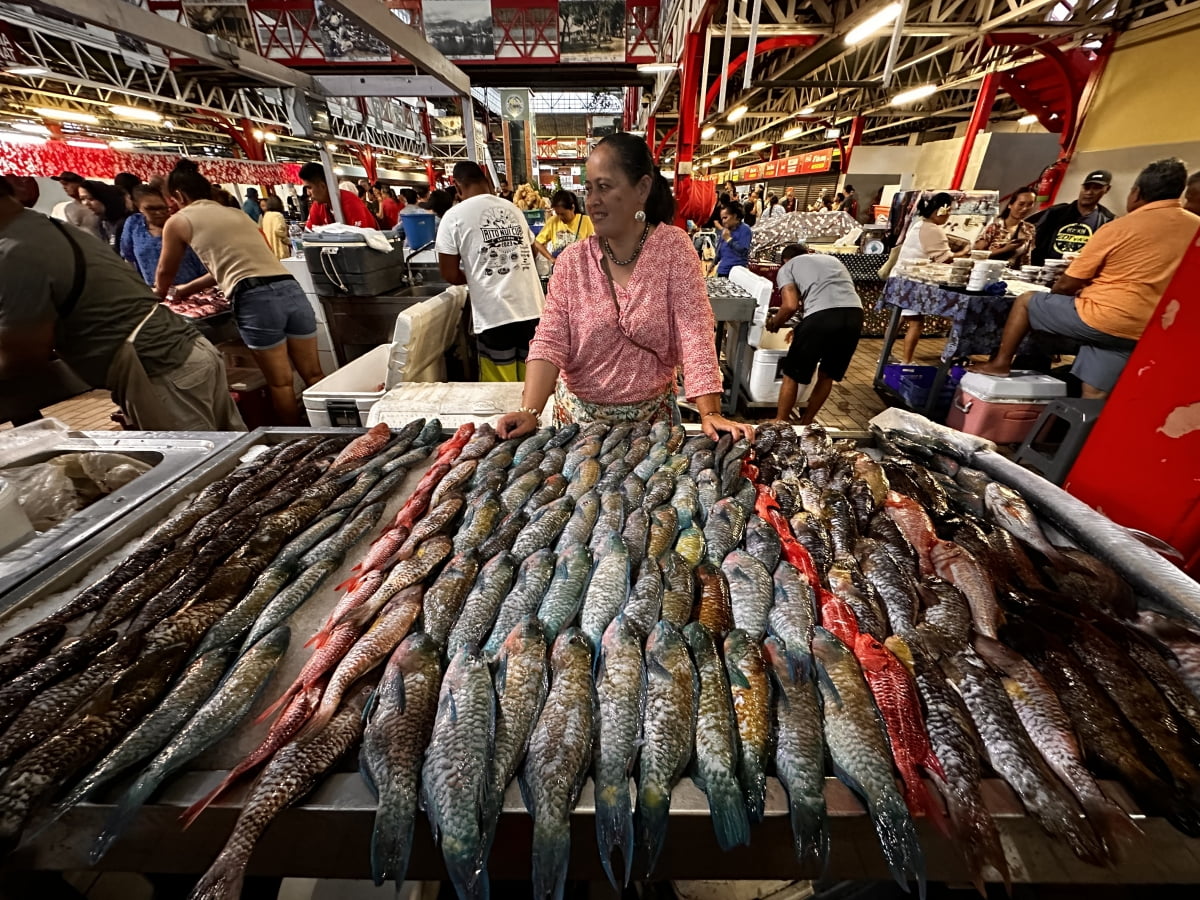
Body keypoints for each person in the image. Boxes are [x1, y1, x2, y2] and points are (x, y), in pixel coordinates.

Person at [494, 133, 753, 442]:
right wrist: (530, 411)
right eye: (589, 189)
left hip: (652, 427)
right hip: (579, 428)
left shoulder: (674, 250)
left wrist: (710, 412)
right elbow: (550, 340)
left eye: (604, 187)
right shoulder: (572, 263)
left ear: (642, 188)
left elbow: (694, 330)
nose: (592, 201)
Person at [0, 176, 244, 431]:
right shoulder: (47, 228)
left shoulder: (16, 250)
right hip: (185, 353)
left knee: (204, 464)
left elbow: (22, 356)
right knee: (234, 456)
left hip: (163, 368)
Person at [975, 158, 1199, 398]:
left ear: (1136, 193)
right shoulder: (1195, 227)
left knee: (1027, 302)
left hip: (1101, 317)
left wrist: (1056, 300)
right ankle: (1078, 431)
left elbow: (1068, 283)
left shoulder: (1118, 227)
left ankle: (1000, 364)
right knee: (1094, 394)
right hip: (1148, 328)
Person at [156, 158, 324, 424]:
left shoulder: (179, 220)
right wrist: (189, 288)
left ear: (177, 195)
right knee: (313, 374)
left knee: (281, 383)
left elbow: (165, 271)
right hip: (290, 288)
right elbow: (241, 262)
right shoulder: (237, 214)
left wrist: (158, 294)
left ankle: (298, 442)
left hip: (255, 299)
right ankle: (333, 430)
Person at [437, 161, 545, 382]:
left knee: (500, 388)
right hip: (532, 308)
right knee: (532, 382)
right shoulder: (513, 209)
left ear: (457, 187)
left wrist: (477, 279)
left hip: (494, 314)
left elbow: (449, 273)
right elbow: (531, 253)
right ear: (487, 181)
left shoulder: (454, 216)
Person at [766, 243, 864, 424]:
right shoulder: (831, 259)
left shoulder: (787, 267)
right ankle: (806, 422)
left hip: (822, 316)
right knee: (827, 374)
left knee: (791, 373)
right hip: (855, 315)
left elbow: (790, 305)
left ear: (785, 260)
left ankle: (780, 421)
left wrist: (775, 322)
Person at [892, 191, 973, 364]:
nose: (949, 215)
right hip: (912, 281)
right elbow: (945, 258)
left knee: (898, 320)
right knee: (916, 323)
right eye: (949, 211)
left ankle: (885, 354)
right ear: (940, 211)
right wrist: (966, 253)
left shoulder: (919, 224)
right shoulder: (932, 229)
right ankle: (906, 362)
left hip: (902, 277)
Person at [120, 184, 208, 288]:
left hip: (194, 289)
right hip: (155, 292)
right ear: (139, 207)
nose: (158, 213)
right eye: (151, 209)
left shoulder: (181, 223)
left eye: (162, 208)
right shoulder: (134, 224)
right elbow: (129, 258)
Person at [1029, 170, 1115, 265]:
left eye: (1096, 188)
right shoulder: (1055, 213)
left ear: (1107, 189)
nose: (1089, 192)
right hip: (1046, 271)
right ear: (1081, 187)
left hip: (1077, 274)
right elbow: (1035, 243)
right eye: (1086, 187)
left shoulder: (1107, 220)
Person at [974, 187, 1037, 267]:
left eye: (1030, 204)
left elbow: (1026, 258)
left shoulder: (1029, 229)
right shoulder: (994, 226)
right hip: (987, 270)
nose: (1025, 208)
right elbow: (977, 253)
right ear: (1010, 205)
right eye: (1021, 204)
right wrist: (1004, 249)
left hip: (1012, 274)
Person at [299, 162, 374, 229]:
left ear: (323, 186)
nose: (308, 193)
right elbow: (309, 235)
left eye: (309, 188)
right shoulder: (317, 206)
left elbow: (360, 239)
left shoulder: (350, 202)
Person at [533, 190, 594, 263]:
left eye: (563, 214)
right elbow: (537, 243)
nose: (560, 217)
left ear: (572, 207)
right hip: (560, 269)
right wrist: (551, 259)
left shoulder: (586, 221)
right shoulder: (553, 221)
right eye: (557, 213)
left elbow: (594, 246)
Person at [79, 180, 129, 253]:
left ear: (104, 197)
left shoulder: (127, 222)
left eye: (91, 198)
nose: (86, 203)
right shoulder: (101, 222)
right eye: (82, 199)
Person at [50, 172, 101, 237]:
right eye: (62, 185)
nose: (64, 187)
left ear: (79, 183)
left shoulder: (98, 205)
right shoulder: (65, 208)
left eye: (66, 184)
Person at [715, 201, 752, 276]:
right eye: (722, 219)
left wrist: (729, 239)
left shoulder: (745, 230)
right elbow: (719, 250)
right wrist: (713, 263)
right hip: (722, 270)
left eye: (725, 218)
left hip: (736, 273)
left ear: (735, 216)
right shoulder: (726, 230)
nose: (723, 221)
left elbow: (743, 251)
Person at [260, 196, 290, 260]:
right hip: (279, 248)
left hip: (270, 246)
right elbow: (279, 230)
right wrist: (288, 241)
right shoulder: (278, 215)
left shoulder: (266, 215)